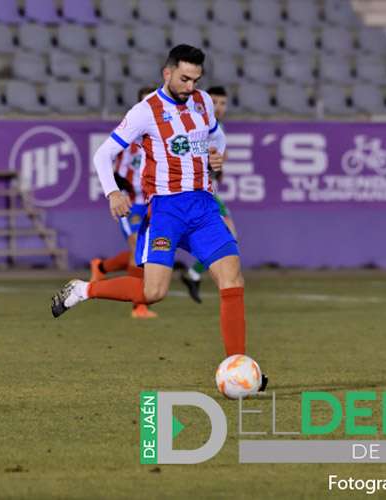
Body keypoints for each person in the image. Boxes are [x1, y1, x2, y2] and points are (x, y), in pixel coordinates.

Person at [50, 44, 267, 390]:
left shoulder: (203, 102)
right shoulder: (145, 111)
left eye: (196, 80)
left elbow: (218, 135)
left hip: (204, 207)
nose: (190, 87)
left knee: (232, 280)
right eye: (184, 78)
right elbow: (103, 155)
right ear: (167, 73)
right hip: (166, 211)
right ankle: (85, 289)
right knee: (153, 293)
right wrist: (113, 192)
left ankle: (237, 367)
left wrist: (218, 156)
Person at [89, 87, 157, 319]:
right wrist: (118, 192)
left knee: (146, 249)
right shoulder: (129, 132)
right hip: (132, 202)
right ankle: (139, 305)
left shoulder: (161, 135)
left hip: (153, 202)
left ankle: (101, 267)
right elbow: (108, 161)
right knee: (137, 248)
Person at [181, 86, 238, 302]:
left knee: (227, 235)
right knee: (227, 235)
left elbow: (217, 157)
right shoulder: (198, 124)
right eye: (215, 102)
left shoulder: (216, 126)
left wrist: (218, 168)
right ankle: (193, 273)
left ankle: (193, 274)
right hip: (198, 191)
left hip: (207, 189)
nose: (219, 107)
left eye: (223, 103)